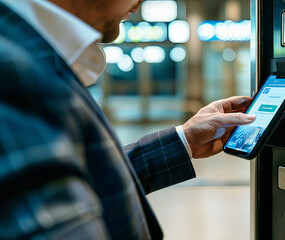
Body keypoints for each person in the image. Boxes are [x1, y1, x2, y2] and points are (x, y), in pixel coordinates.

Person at [0, 0, 256, 239]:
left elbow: (88, 178)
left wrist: (184, 140)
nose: (140, 2)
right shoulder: (12, 68)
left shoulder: (33, 52)